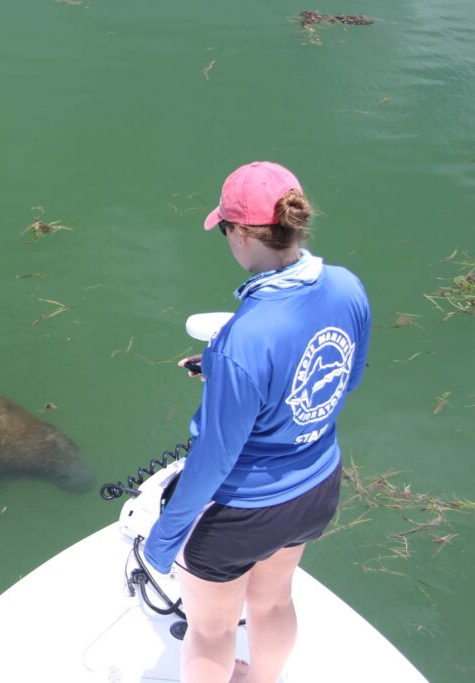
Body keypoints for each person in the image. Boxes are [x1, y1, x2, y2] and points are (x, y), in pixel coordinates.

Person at [143, 161, 371, 683]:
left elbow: (214, 459)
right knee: (272, 602)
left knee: (212, 630)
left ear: (243, 233)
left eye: (225, 229)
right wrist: (234, 378)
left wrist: (163, 539)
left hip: (244, 513)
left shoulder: (243, 340)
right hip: (317, 487)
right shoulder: (346, 285)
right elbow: (345, 379)